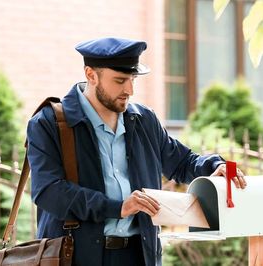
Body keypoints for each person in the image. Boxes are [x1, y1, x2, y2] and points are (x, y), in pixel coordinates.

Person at [27, 37, 247, 266]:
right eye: (120, 80)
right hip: (77, 257)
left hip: (140, 255)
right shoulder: (48, 124)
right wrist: (118, 207)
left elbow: (181, 162)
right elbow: (48, 192)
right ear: (91, 75)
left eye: (132, 79)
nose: (129, 90)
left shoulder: (143, 120)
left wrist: (213, 166)